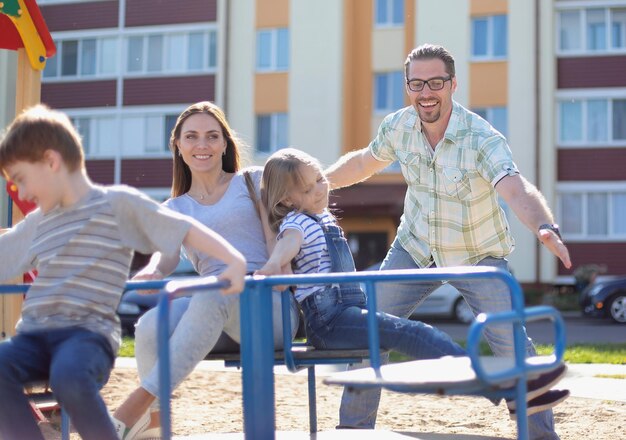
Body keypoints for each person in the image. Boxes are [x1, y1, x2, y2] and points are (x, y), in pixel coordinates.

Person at [324, 44, 572, 439]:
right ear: (407, 87)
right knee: (367, 331)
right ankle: (353, 431)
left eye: (436, 82)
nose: (426, 92)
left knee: (509, 341)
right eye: (417, 83)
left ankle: (540, 435)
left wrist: (543, 226)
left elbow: (515, 187)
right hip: (416, 247)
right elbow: (363, 162)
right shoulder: (398, 127)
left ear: (453, 84)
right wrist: (318, 183)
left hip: (478, 254)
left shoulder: (482, 137)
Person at [256, 147, 568, 420]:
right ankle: (500, 384)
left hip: (346, 313)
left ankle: (509, 391)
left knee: (415, 334)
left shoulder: (321, 217)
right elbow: (289, 244)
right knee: (415, 333)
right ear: (287, 199)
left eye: (320, 179)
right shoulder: (296, 223)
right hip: (329, 322)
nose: (320, 190)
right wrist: (273, 265)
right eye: (308, 188)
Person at [0, 104, 246, 440]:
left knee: (67, 375)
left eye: (21, 180)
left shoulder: (117, 204)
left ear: (51, 162)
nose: (23, 194)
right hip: (34, 336)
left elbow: (181, 229)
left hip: (85, 336)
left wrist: (232, 259)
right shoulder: (38, 223)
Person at [111, 101, 300, 439]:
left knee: (213, 291)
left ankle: (134, 405)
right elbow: (165, 256)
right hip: (214, 310)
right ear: (178, 146)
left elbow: (282, 236)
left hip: (268, 307)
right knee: (150, 324)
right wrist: (154, 271)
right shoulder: (174, 207)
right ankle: (154, 425)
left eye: (212, 137)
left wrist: (276, 271)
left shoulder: (252, 181)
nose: (203, 145)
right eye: (193, 137)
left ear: (225, 144)